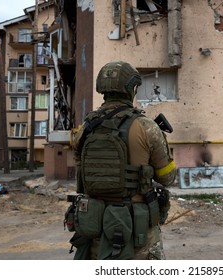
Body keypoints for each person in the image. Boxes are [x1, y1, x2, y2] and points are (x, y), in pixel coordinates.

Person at [71, 61, 176, 260]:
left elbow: (81, 171)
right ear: (132, 89)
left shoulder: (86, 128)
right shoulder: (146, 127)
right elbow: (167, 177)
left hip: (95, 228)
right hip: (138, 233)